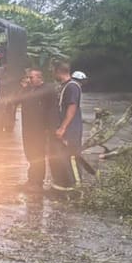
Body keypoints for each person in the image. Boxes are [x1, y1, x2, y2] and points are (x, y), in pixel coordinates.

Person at [18, 67, 57, 191]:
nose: (29, 80)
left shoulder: (47, 90)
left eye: (31, 77)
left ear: (40, 78)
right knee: (30, 154)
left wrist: (49, 128)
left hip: (40, 129)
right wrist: (23, 88)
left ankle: (38, 182)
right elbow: (17, 100)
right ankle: (31, 180)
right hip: (28, 128)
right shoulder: (28, 90)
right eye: (28, 77)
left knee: (38, 155)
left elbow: (52, 110)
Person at [50, 63, 85, 194]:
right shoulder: (64, 86)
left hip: (71, 130)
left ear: (58, 72)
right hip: (66, 128)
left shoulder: (72, 87)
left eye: (53, 72)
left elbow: (72, 107)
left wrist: (63, 127)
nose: (53, 75)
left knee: (72, 157)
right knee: (63, 157)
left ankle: (77, 187)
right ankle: (65, 185)